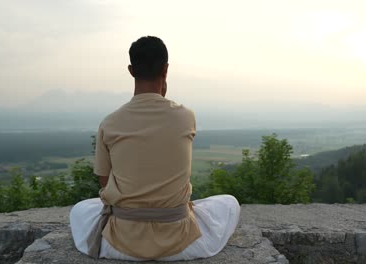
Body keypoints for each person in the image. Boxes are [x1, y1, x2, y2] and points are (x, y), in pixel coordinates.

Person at [70, 36, 240, 261]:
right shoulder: (185, 117)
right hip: (181, 242)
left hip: (120, 243)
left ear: (131, 70)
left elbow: (104, 185)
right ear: (166, 69)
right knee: (229, 203)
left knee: (81, 209)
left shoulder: (110, 123)